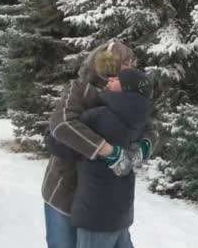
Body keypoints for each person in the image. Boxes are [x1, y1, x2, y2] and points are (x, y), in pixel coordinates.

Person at [41, 41, 158, 248]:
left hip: (103, 200)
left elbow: (151, 129)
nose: (131, 67)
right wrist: (108, 151)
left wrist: (141, 149)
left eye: (131, 63)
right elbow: (61, 125)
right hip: (65, 189)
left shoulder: (129, 94)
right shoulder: (80, 88)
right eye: (126, 63)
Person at [72, 68, 153, 248]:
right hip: (121, 213)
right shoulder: (142, 121)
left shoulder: (96, 116)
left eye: (116, 80)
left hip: (94, 213)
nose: (109, 81)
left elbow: (58, 144)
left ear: (127, 88)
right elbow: (154, 135)